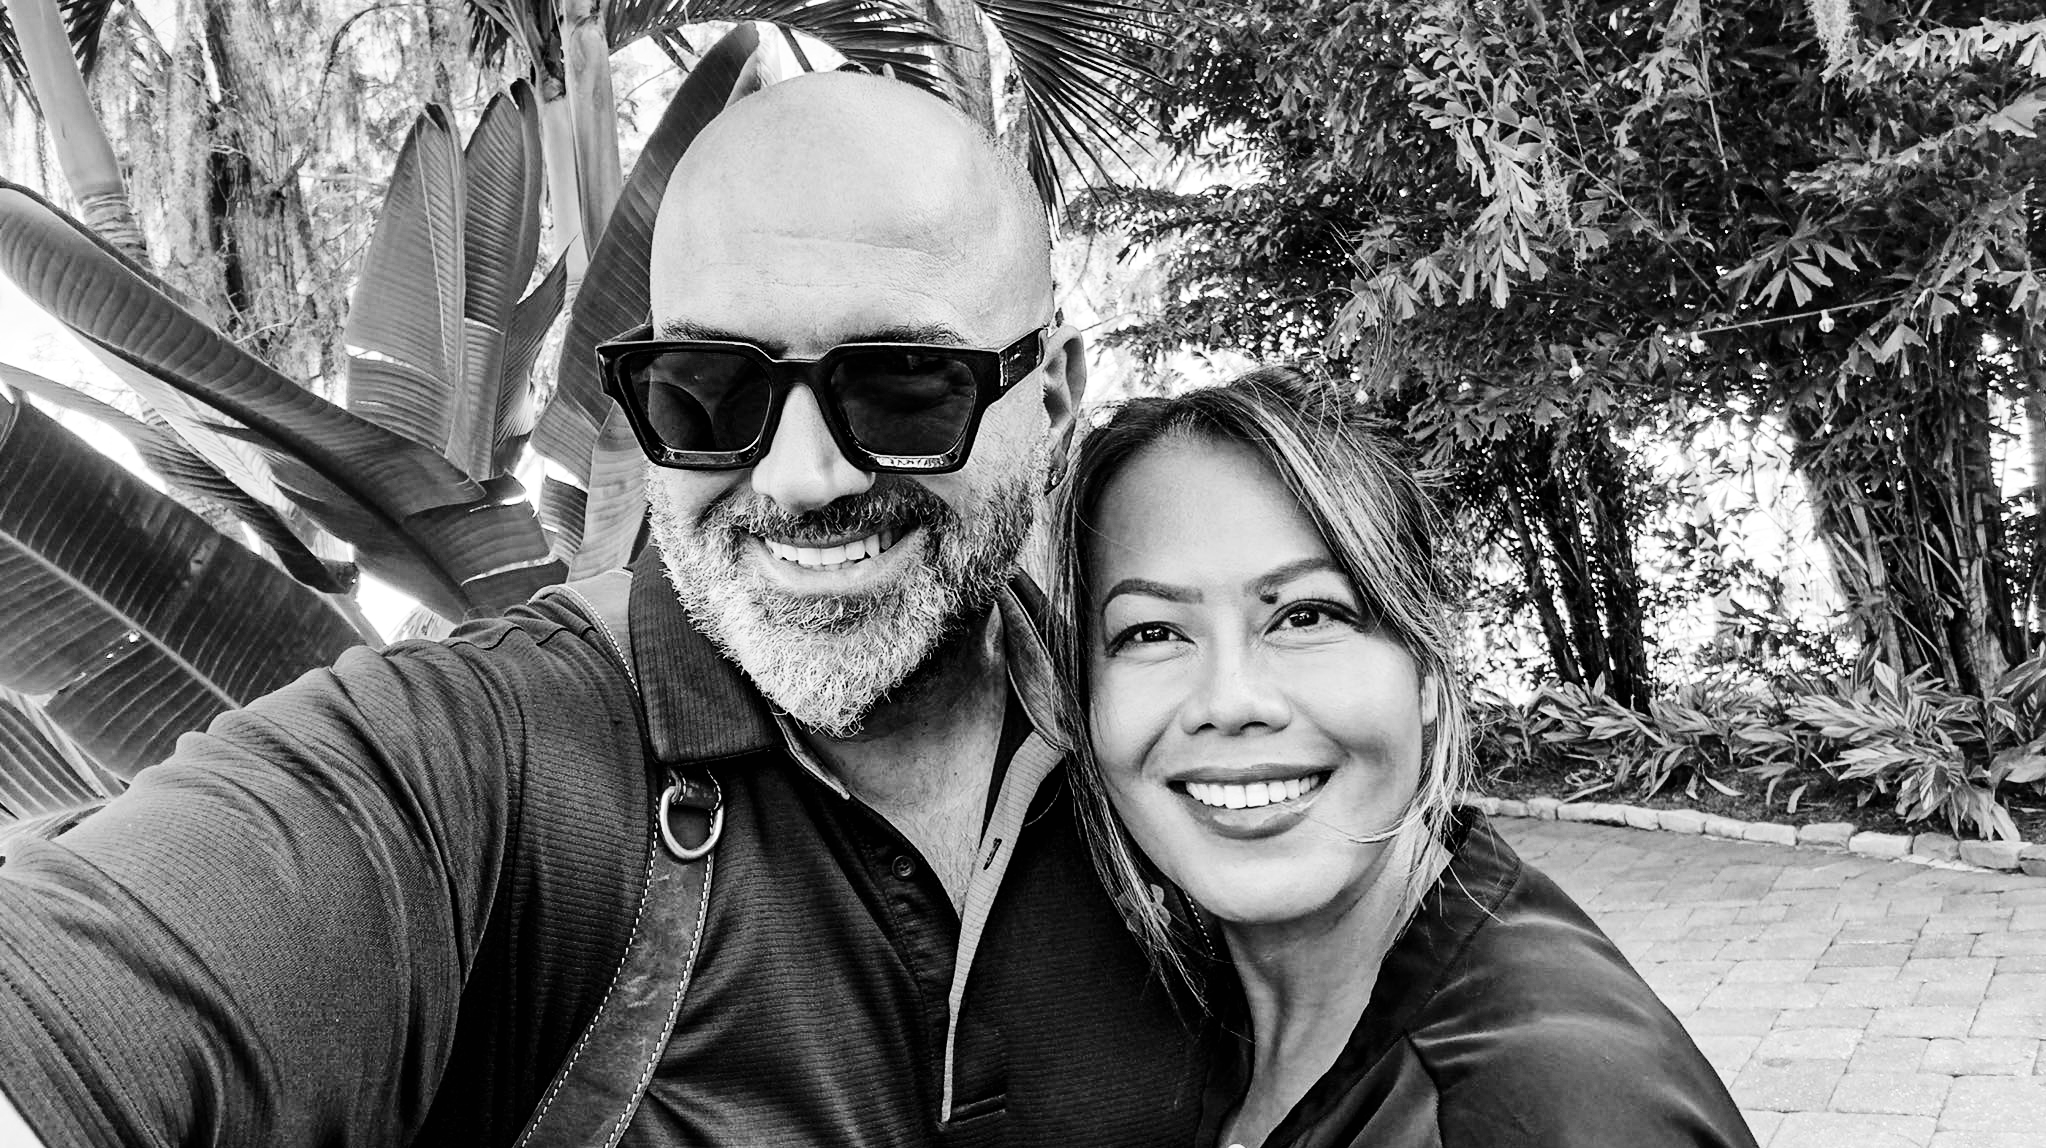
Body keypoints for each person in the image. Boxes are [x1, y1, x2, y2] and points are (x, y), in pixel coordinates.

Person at [0, 74, 1210, 1146]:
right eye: (711, 388)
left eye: (904, 386)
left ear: (1057, 395)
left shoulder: (1173, 738)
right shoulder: (486, 762)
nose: (801, 479)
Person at [1047, 366, 1758, 1148]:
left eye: (1306, 616)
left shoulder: (1545, 1105)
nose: (1230, 700)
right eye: (1151, 632)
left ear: (1424, 667)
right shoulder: (1170, 1028)